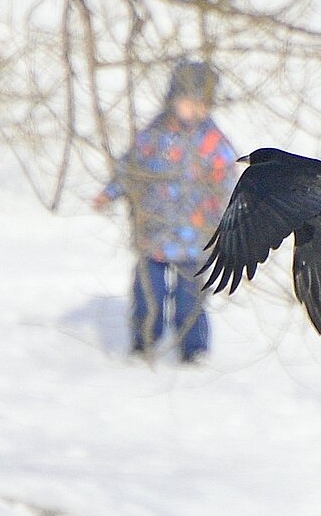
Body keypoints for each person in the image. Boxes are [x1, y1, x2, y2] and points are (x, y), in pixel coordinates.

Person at [92, 60, 239, 363]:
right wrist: (110, 192)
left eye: (202, 104)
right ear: (172, 100)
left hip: (195, 239)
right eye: (187, 102)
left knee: (190, 299)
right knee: (149, 295)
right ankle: (143, 342)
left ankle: (193, 349)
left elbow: (228, 182)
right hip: (155, 235)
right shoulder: (154, 136)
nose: (194, 110)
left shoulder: (213, 142)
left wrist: (229, 221)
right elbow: (130, 169)